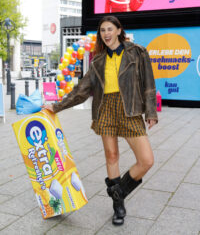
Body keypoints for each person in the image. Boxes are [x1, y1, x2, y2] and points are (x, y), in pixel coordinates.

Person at [42, 15, 158, 226]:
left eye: (110, 29)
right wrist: (56, 106)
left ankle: (118, 192)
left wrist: (150, 112)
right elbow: (81, 91)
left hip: (130, 109)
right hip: (106, 109)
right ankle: (118, 207)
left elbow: (148, 83)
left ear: (119, 30)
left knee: (146, 160)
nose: (106, 34)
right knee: (111, 156)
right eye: (102, 30)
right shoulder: (98, 60)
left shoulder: (137, 52)